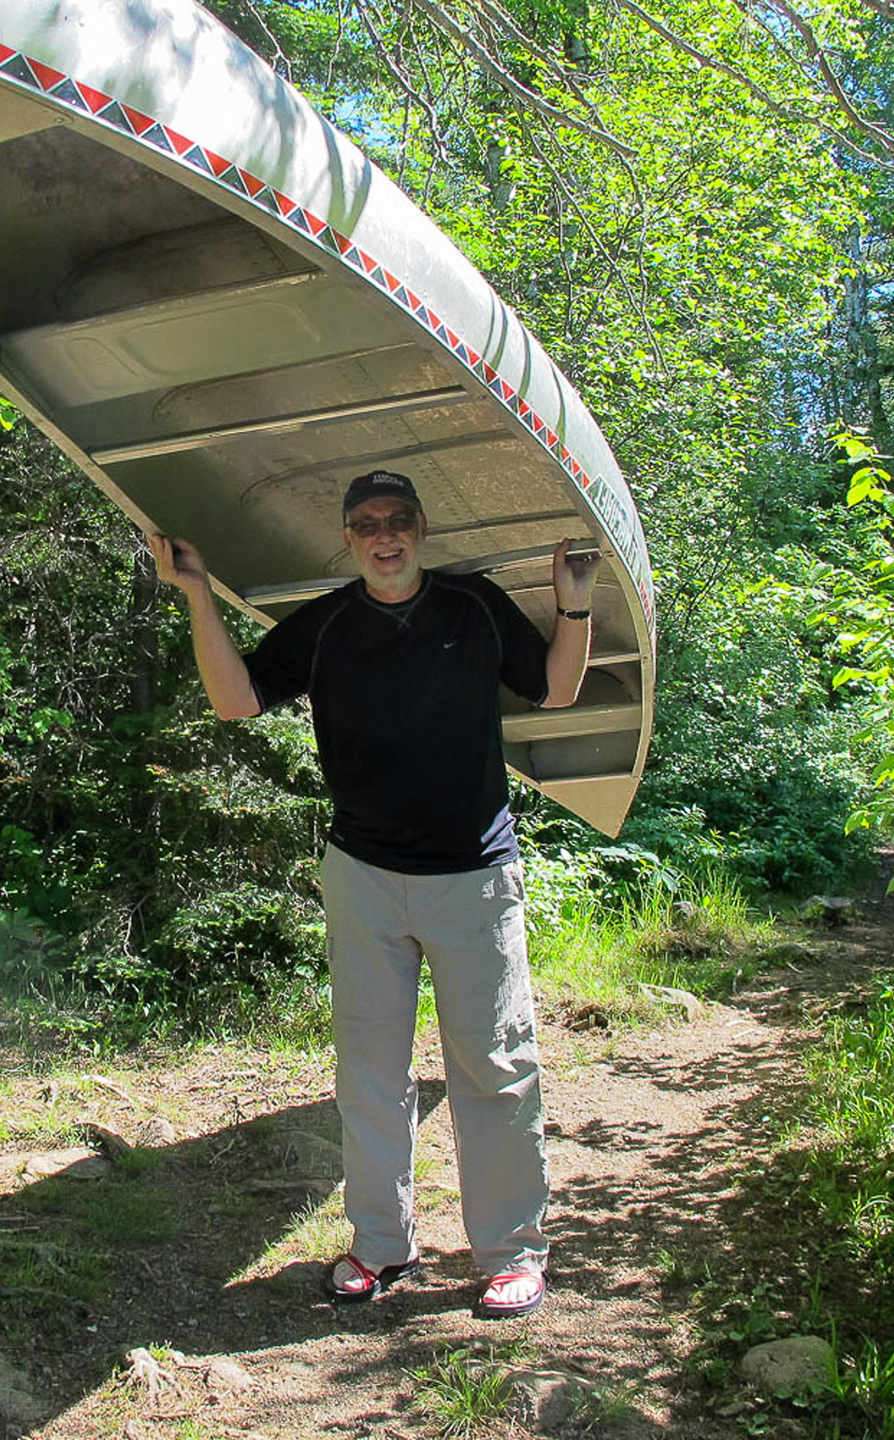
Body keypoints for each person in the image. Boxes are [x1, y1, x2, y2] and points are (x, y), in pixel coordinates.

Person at [148, 469, 598, 1319]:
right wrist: (197, 593)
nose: (383, 536)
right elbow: (235, 700)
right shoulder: (325, 625)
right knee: (369, 1071)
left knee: (496, 1067)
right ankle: (382, 1244)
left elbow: (556, 688)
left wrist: (572, 605)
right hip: (364, 876)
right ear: (349, 539)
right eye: (365, 524)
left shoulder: (473, 606)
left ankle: (512, 1253)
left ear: (420, 529)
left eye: (396, 520)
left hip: (473, 875)